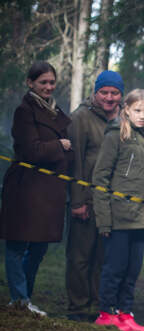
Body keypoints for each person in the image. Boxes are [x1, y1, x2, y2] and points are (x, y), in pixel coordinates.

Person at [0, 61, 73, 317]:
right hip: (25, 188)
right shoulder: (24, 111)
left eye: (52, 82)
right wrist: (59, 145)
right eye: (43, 82)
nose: (48, 87)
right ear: (30, 83)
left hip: (49, 191)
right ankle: (19, 298)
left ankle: (24, 299)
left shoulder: (56, 111)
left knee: (39, 247)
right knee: (17, 244)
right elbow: (31, 150)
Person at [92, 89, 144, 331]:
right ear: (126, 110)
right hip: (119, 217)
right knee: (115, 268)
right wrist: (104, 221)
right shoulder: (115, 136)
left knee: (133, 269)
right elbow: (100, 179)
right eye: (137, 110)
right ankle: (106, 312)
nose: (142, 116)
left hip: (141, 217)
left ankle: (124, 313)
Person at [65, 70, 124, 321]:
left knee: (104, 256)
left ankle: (100, 304)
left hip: (110, 202)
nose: (109, 98)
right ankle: (79, 307)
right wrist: (77, 200)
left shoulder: (123, 120)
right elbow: (75, 160)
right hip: (86, 199)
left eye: (115, 93)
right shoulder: (81, 118)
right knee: (80, 255)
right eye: (104, 92)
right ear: (95, 92)